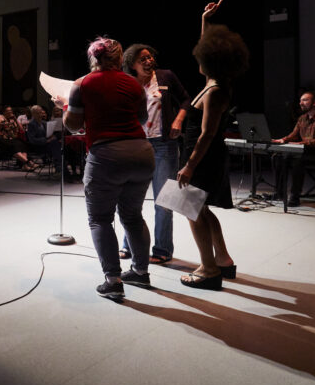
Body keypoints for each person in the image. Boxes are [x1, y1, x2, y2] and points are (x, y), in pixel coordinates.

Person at [62, 36, 154, 300]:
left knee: (101, 218)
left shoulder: (82, 84)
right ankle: (140, 272)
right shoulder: (134, 84)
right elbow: (143, 118)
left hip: (107, 155)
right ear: (119, 57)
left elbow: (73, 125)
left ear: (94, 58)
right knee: (133, 216)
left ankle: (113, 280)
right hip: (141, 153)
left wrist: (65, 106)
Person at [176, 0, 249, 291]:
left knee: (192, 209)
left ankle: (208, 269)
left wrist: (190, 166)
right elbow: (205, 43)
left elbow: (207, 133)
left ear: (211, 61)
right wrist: (204, 19)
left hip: (204, 156)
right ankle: (223, 260)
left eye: (202, 55)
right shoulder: (211, 81)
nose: (198, 56)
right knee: (202, 209)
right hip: (201, 154)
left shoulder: (215, 90)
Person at [119, 43, 191, 264]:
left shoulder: (165, 76)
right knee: (131, 200)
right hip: (136, 145)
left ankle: (162, 250)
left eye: (150, 57)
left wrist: (178, 120)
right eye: (143, 59)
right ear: (132, 64)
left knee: (163, 201)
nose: (149, 61)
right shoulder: (127, 82)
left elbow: (187, 100)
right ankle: (129, 245)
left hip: (163, 145)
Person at [272, 91, 315, 207]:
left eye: (305, 100)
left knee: (297, 160)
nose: (301, 103)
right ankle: (279, 192)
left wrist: (300, 144)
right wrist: (283, 140)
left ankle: (295, 196)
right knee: (279, 156)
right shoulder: (302, 118)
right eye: (301, 100)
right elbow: (294, 134)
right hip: (305, 148)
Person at [0, 106, 36, 170]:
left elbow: (21, 129)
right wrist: (1, 126)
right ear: (4, 112)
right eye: (8, 111)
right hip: (1, 139)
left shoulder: (12, 119)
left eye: (11, 110)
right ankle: (28, 163)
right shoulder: (0, 117)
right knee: (15, 145)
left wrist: (15, 119)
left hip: (11, 139)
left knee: (22, 143)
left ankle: (24, 165)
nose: (10, 112)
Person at [25, 105, 62, 174]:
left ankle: (61, 168)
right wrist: (46, 140)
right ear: (33, 114)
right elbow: (32, 139)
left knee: (58, 143)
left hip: (48, 145)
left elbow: (49, 134)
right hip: (38, 146)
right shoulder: (31, 124)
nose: (41, 115)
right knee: (55, 145)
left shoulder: (44, 123)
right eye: (38, 113)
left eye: (41, 112)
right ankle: (60, 168)